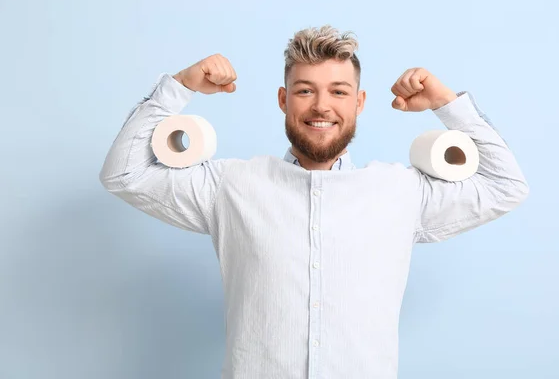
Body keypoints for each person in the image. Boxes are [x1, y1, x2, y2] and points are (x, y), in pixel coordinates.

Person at [99, 25, 529, 379]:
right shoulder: (231, 185)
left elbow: (506, 185)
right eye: (305, 91)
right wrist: (178, 87)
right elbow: (124, 174)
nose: (322, 106)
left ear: (359, 104)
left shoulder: (400, 192)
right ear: (284, 100)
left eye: (339, 92)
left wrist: (447, 105)